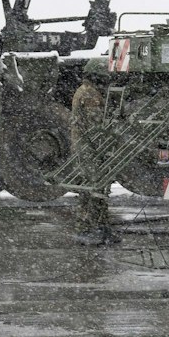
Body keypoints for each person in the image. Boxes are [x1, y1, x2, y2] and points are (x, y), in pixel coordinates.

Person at [68, 75, 116, 245]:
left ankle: (98, 227)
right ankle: (88, 228)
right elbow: (95, 124)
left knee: (91, 186)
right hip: (88, 148)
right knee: (95, 186)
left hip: (83, 146)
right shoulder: (90, 94)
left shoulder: (83, 90)